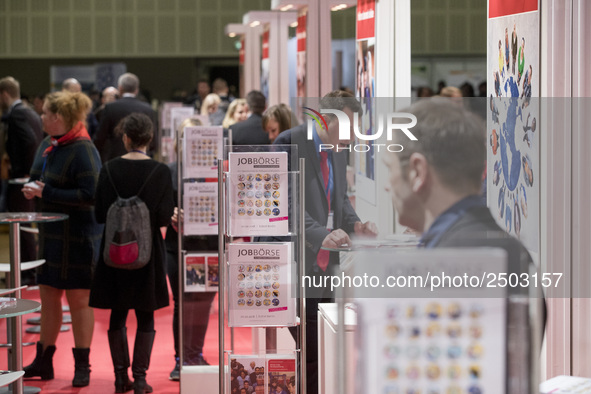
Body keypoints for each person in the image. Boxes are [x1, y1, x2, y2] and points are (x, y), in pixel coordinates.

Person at [273, 90, 377, 393]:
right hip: (298, 259)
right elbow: (284, 205)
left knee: (326, 343)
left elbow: (339, 200)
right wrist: (321, 234)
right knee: (308, 346)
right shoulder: (289, 142)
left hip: (328, 263)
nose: (353, 135)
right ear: (327, 120)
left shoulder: (338, 148)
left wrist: (357, 224)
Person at [21, 91, 103, 387]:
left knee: (80, 300)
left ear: (58, 118)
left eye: (44, 114)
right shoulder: (48, 143)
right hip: (53, 234)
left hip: (80, 236)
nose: (40, 117)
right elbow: (35, 175)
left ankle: (83, 364)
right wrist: (32, 187)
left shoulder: (83, 148)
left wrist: (46, 193)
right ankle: (44, 360)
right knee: (48, 296)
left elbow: (92, 195)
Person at [90, 113, 174, 394]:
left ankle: (118, 377)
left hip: (114, 252)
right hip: (147, 255)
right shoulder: (161, 172)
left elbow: (100, 213)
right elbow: (164, 217)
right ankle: (140, 379)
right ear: (149, 139)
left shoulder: (109, 169)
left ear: (125, 138)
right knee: (145, 314)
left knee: (118, 313)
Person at [165, 117, 217, 380]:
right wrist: (170, 214)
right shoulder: (170, 170)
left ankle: (195, 354)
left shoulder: (217, 170)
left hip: (210, 246)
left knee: (204, 303)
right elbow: (160, 209)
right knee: (182, 304)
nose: (192, 142)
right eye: (187, 136)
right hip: (178, 247)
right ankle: (181, 359)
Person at [0, 76, 44, 283]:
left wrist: (26, 171)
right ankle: (27, 271)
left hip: (21, 180)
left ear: (4, 94)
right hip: (27, 177)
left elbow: (29, 142)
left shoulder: (17, 114)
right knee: (25, 224)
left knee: (21, 224)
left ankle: (28, 273)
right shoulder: (30, 112)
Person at [93, 73, 158, 163]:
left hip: (115, 162)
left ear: (120, 88)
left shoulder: (110, 108)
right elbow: (154, 143)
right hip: (142, 162)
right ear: (136, 90)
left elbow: (100, 139)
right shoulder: (147, 109)